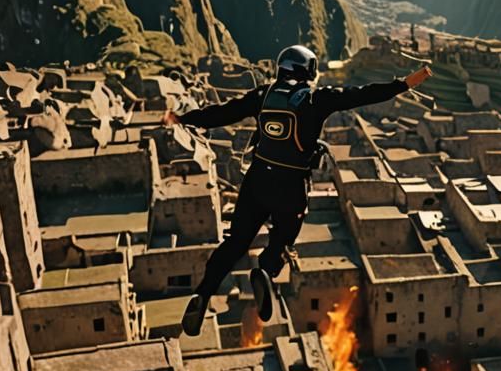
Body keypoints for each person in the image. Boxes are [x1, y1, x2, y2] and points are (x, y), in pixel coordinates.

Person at [164, 45, 432, 335]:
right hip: (290, 185)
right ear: (309, 72)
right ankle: (266, 269)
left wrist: (184, 118)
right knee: (283, 235)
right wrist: (403, 84)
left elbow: (220, 114)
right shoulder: (317, 99)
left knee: (236, 241)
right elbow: (362, 94)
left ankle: (203, 292)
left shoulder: (263, 95)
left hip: (257, 180)